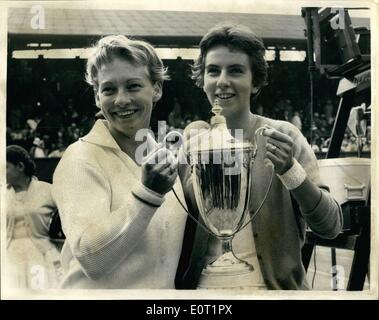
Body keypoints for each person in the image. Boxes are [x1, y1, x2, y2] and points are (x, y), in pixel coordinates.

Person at [175, 23, 343, 290]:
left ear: (256, 82)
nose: (222, 81)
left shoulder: (284, 136)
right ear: (202, 79)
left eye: (236, 71)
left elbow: (331, 226)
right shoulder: (191, 145)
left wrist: (290, 170)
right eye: (213, 71)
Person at [52, 35, 187, 289]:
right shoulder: (80, 158)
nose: (121, 100)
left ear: (156, 89)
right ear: (96, 96)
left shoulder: (164, 157)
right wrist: (147, 194)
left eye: (133, 86)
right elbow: (92, 259)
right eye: (109, 89)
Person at [5, 145, 62, 289]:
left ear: (20, 166)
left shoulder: (48, 190)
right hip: (9, 257)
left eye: (6, 167)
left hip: (41, 257)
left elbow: (69, 217)